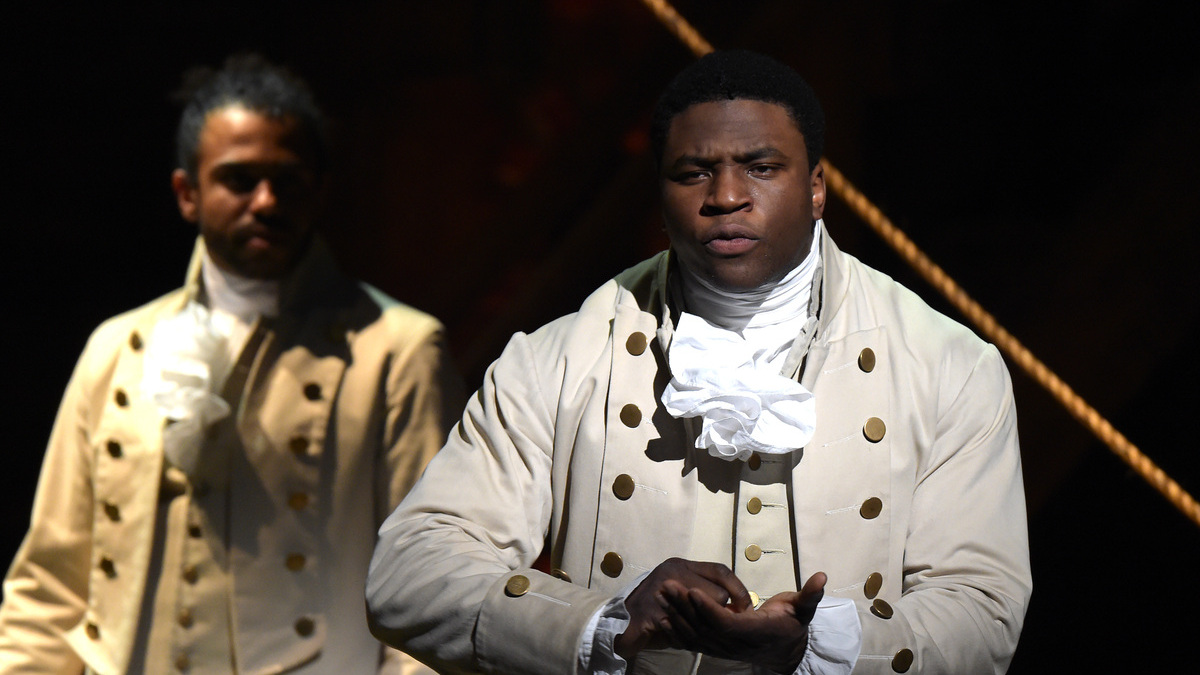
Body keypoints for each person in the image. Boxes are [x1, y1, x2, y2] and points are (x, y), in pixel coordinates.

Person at [366, 50, 1031, 675]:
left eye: (761, 166)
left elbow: (982, 610)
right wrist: (606, 621)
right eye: (694, 172)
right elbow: (408, 573)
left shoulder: (949, 365)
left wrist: (822, 645)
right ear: (660, 192)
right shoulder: (557, 360)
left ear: (819, 186)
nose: (727, 195)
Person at [0, 54, 463, 674]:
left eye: (289, 181)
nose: (266, 201)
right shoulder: (116, 348)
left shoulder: (397, 349)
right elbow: (49, 584)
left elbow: (430, 586)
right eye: (240, 180)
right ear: (187, 193)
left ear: (320, 190)